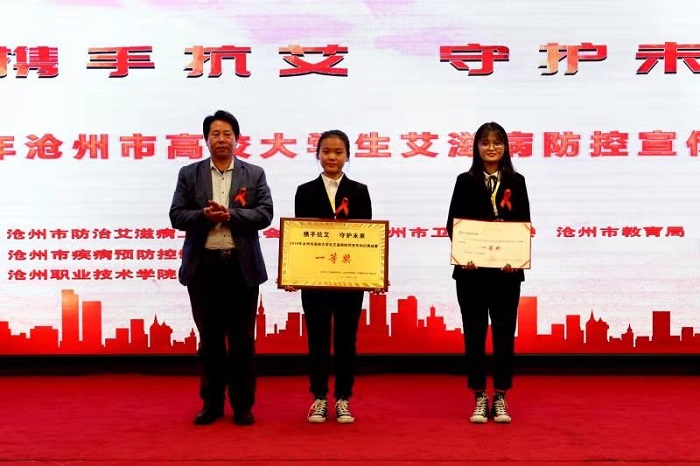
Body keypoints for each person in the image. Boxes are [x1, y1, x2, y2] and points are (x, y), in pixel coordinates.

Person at [169, 110, 273, 426]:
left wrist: (230, 215)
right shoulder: (190, 174)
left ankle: (242, 406)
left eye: (227, 133)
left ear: (237, 139)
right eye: (215, 134)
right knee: (210, 341)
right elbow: (176, 215)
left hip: (241, 268)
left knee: (242, 341)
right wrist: (204, 215)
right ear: (206, 139)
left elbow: (265, 214)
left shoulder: (254, 174)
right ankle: (211, 404)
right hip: (204, 269)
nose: (221, 139)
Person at [446, 121, 531, 424]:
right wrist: (465, 254)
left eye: (497, 142)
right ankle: (480, 396)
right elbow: (452, 225)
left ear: (505, 147)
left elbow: (523, 223)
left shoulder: (517, 181)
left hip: (506, 275)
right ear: (477, 147)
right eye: (485, 142)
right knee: (475, 334)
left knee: (504, 335)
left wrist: (515, 257)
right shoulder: (464, 181)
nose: (491, 147)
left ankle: (501, 396)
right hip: (471, 274)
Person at [292, 129, 372, 424]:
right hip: (315, 280)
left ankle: (343, 399)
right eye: (326, 151)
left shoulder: (359, 191)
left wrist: (372, 275)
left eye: (338, 152)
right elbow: (300, 237)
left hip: (349, 280)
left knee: (346, 340)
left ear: (347, 156)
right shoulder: (305, 191)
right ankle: (319, 397)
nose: (332, 157)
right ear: (317, 155)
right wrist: (295, 272)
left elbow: (367, 237)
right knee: (318, 340)